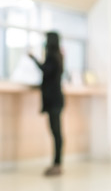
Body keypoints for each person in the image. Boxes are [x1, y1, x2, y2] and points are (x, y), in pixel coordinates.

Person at [29, 32, 64, 176]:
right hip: (56, 98)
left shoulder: (52, 56)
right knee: (56, 132)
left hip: (53, 99)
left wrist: (33, 59)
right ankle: (57, 163)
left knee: (56, 132)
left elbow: (45, 70)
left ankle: (57, 164)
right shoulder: (59, 56)